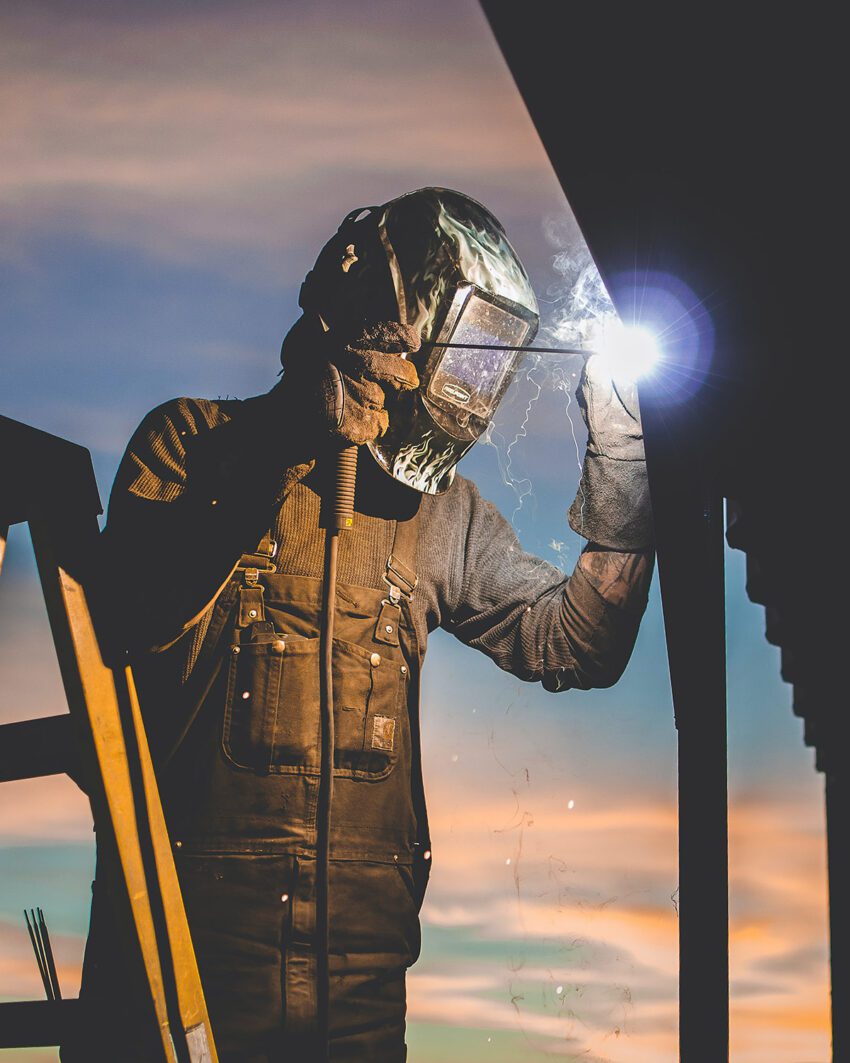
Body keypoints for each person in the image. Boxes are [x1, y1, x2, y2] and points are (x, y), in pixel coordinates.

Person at [65, 188, 654, 1062]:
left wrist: (627, 472)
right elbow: (131, 617)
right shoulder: (190, 443)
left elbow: (579, 643)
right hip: (175, 994)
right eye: (464, 348)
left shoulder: (441, 515)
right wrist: (281, 452)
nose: (471, 384)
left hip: (360, 1011)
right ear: (387, 312)